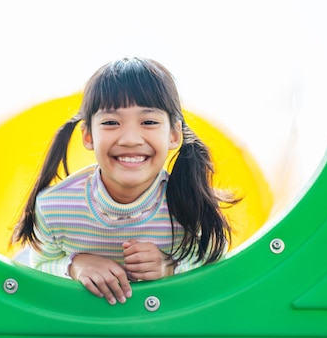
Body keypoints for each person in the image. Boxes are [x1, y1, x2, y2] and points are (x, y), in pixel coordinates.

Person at [13, 57, 237, 305]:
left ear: (174, 134)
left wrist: (170, 267)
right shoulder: (56, 206)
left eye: (149, 122)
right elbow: (40, 264)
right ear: (88, 136)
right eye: (111, 122)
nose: (130, 139)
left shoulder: (189, 202)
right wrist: (74, 266)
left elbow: (216, 260)